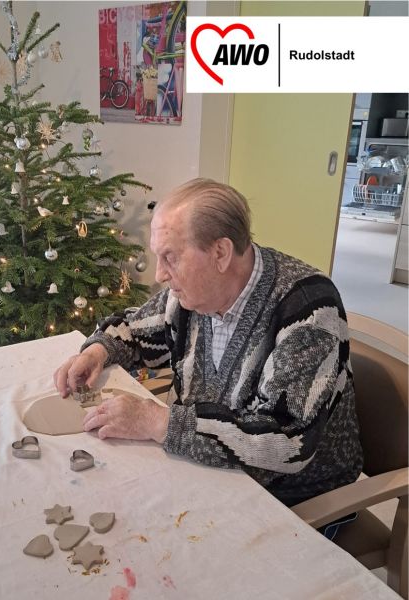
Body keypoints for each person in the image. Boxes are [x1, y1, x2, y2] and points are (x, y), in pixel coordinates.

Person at [54, 178, 363, 507]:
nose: (159, 275)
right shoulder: (193, 295)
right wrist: (98, 351)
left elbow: (287, 442)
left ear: (220, 253)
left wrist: (157, 421)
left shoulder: (308, 310)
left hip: (295, 497)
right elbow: (135, 330)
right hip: (209, 472)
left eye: (170, 257)